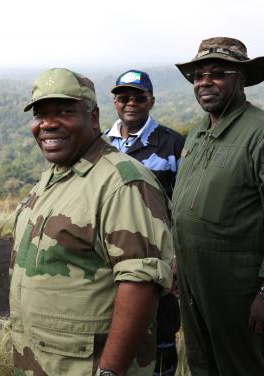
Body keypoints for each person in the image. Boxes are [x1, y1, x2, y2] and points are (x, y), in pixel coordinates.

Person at [9, 68, 175, 376]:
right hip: (41, 362)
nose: (48, 123)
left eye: (63, 111)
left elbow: (140, 283)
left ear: (94, 117)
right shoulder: (51, 180)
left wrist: (109, 372)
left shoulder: (122, 183)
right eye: (40, 114)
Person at [172, 37, 264, 375]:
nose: (205, 82)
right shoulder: (198, 132)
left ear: (241, 78)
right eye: (198, 75)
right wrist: (178, 262)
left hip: (236, 284)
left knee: (239, 367)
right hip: (193, 278)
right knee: (202, 362)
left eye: (218, 73)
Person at [105, 69, 184, 376]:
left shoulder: (172, 144)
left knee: (159, 336)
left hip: (158, 260)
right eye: (124, 97)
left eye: (139, 97)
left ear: (151, 101)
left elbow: (184, 208)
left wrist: (177, 259)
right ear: (115, 102)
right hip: (109, 260)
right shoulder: (99, 145)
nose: (131, 103)